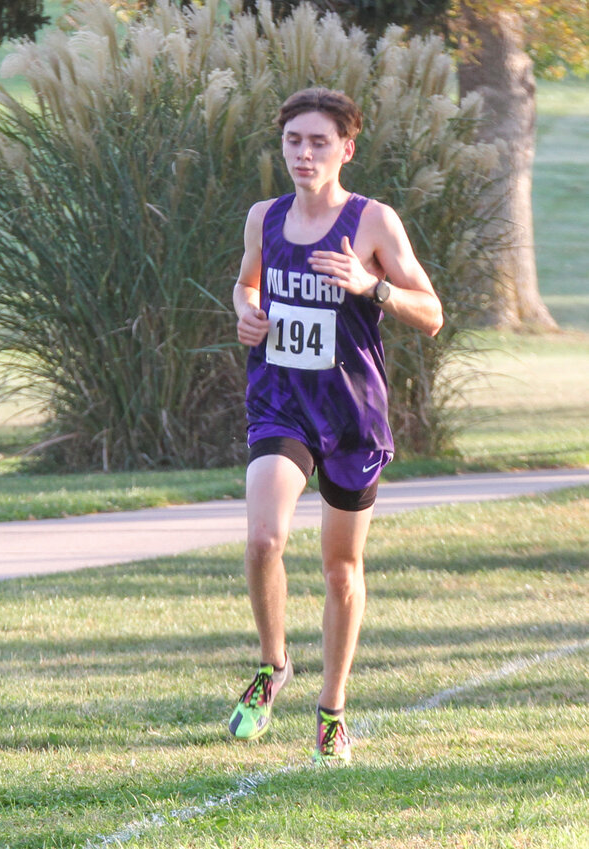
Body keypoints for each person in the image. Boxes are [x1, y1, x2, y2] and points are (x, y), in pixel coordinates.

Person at [229, 87, 443, 764]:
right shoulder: (263, 217)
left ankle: (331, 709)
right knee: (264, 537)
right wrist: (247, 311)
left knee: (339, 566)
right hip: (281, 402)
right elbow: (246, 283)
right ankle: (272, 665)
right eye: (293, 141)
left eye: (319, 141)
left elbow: (431, 312)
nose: (303, 153)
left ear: (346, 149)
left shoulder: (373, 221)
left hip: (352, 414)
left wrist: (369, 284)